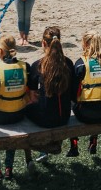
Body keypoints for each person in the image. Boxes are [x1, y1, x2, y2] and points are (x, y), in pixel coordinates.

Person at [0, 36, 31, 180]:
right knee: (13, 129)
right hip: (19, 113)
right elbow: (29, 90)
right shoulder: (25, 67)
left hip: (0, 115)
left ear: (1, 51)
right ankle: (9, 168)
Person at [26, 26, 75, 162]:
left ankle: (38, 152)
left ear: (43, 43)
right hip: (64, 116)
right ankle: (51, 146)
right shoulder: (68, 63)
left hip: (46, 119)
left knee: (25, 108)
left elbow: (31, 94)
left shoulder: (38, 65)